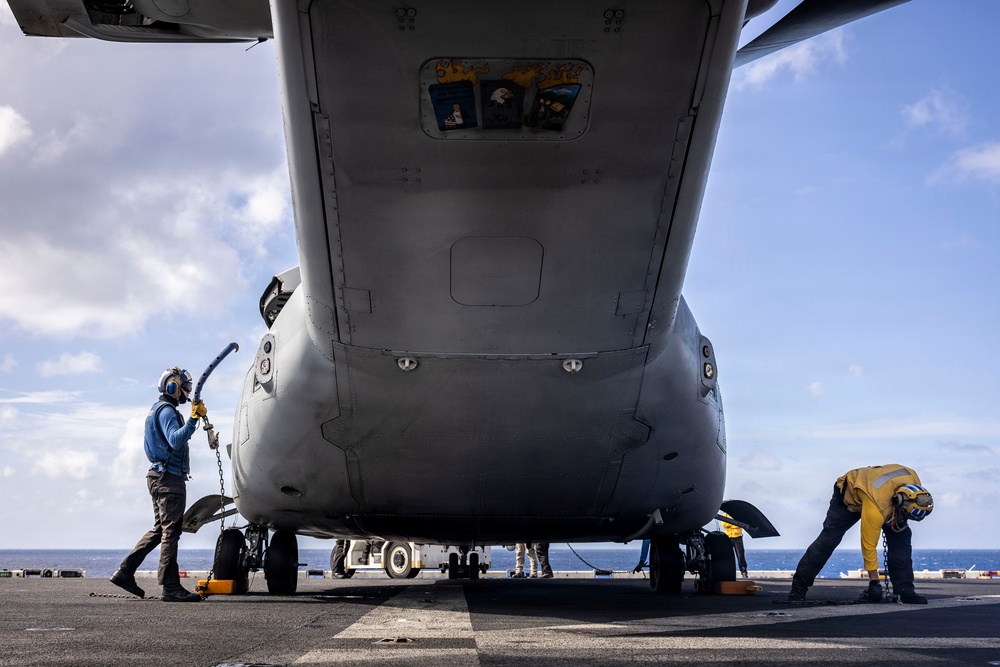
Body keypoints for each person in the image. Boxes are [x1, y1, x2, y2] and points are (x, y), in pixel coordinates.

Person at [110, 366, 207, 602]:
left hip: (159, 476)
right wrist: (194, 419)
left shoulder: (160, 410)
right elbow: (175, 440)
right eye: (185, 388)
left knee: (160, 530)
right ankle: (170, 587)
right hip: (168, 479)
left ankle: (125, 572)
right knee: (171, 532)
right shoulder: (166, 412)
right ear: (172, 387)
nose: (187, 393)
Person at [788, 464, 933, 604]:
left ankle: (905, 591)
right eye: (904, 516)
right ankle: (798, 589)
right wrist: (874, 582)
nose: (904, 520)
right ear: (898, 503)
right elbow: (868, 545)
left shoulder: (913, 480)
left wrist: (901, 517)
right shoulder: (875, 510)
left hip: (882, 497)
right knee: (828, 541)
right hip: (850, 495)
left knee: (902, 539)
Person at [720, 512, 749, 578]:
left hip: (737, 537)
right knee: (727, 556)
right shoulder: (725, 514)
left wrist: (730, 523)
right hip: (728, 537)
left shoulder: (738, 514)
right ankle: (727, 572)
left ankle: (743, 571)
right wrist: (733, 523)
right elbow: (724, 524)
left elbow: (740, 524)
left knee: (740, 555)